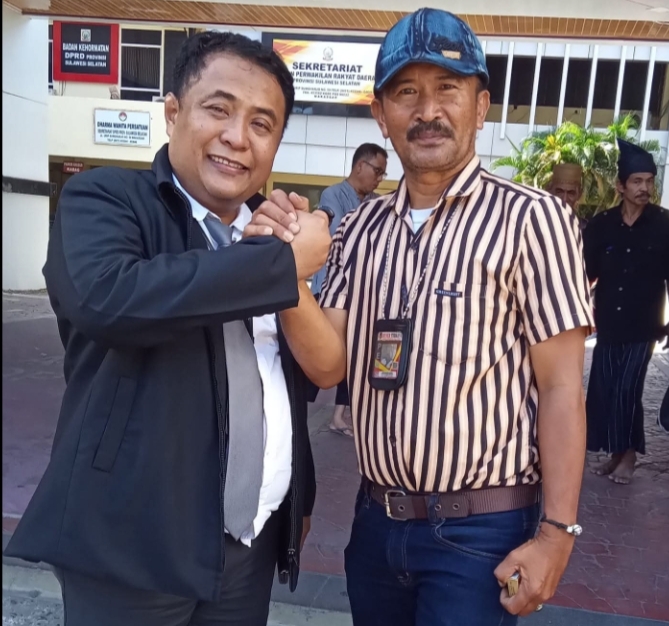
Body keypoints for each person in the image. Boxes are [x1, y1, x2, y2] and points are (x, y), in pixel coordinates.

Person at [244, 8, 594, 625]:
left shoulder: (533, 220)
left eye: (447, 89)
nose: (427, 111)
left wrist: (556, 533)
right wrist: (289, 275)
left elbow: (562, 387)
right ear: (381, 115)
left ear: (480, 108)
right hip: (376, 526)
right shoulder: (359, 228)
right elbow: (328, 367)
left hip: (480, 533)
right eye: (406, 92)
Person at [4, 32, 332, 626]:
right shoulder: (105, 198)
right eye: (218, 109)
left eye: (262, 124)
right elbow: (110, 299)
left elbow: (293, 380)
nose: (238, 137)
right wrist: (278, 267)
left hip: (249, 545)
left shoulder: (273, 233)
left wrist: (295, 501)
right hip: (130, 544)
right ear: (174, 112)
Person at [583, 140, 669, 485]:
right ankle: (616, 454)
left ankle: (629, 456)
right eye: (637, 181)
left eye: (649, 181)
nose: (644, 188)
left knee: (627, 390)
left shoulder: (664, 224)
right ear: (620, 186)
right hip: (607, 322)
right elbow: (585, 273)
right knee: (604, 389)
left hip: (644, 325)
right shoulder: (602, 224)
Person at [309, 142, 388, 437]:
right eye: (377, 171)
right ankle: (301, 408)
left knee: (354, 355)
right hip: (330, 289)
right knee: (321, 354)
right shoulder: (333, 195)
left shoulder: (376, 202)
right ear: (359, 166)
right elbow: (340, 240)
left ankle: (339, 416)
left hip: (361, 293)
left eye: (382, 173)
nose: (379, 178)